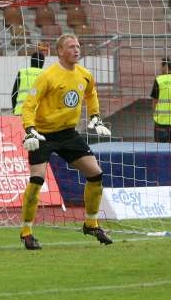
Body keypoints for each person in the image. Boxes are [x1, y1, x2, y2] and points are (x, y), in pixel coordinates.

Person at [19, 34, 113, 250]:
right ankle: (26, 232)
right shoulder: (48, 76)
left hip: (68, 134)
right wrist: (30, 130)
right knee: (36, 179)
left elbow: (91, 93)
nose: (76, 50)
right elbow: (29, 104)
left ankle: (91, 224)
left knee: (95, 173)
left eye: (78, 46)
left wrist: (95, 116)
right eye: (71, 47)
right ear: (60, 51)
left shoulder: (85, 75)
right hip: (43, 134)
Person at [11, 50, 45, 115]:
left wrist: (14, 109)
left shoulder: (21, 72)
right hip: (37, 114)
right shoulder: (45, 74)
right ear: (42, 62)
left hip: (20, 112)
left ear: (31, 61)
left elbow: (14, 94)